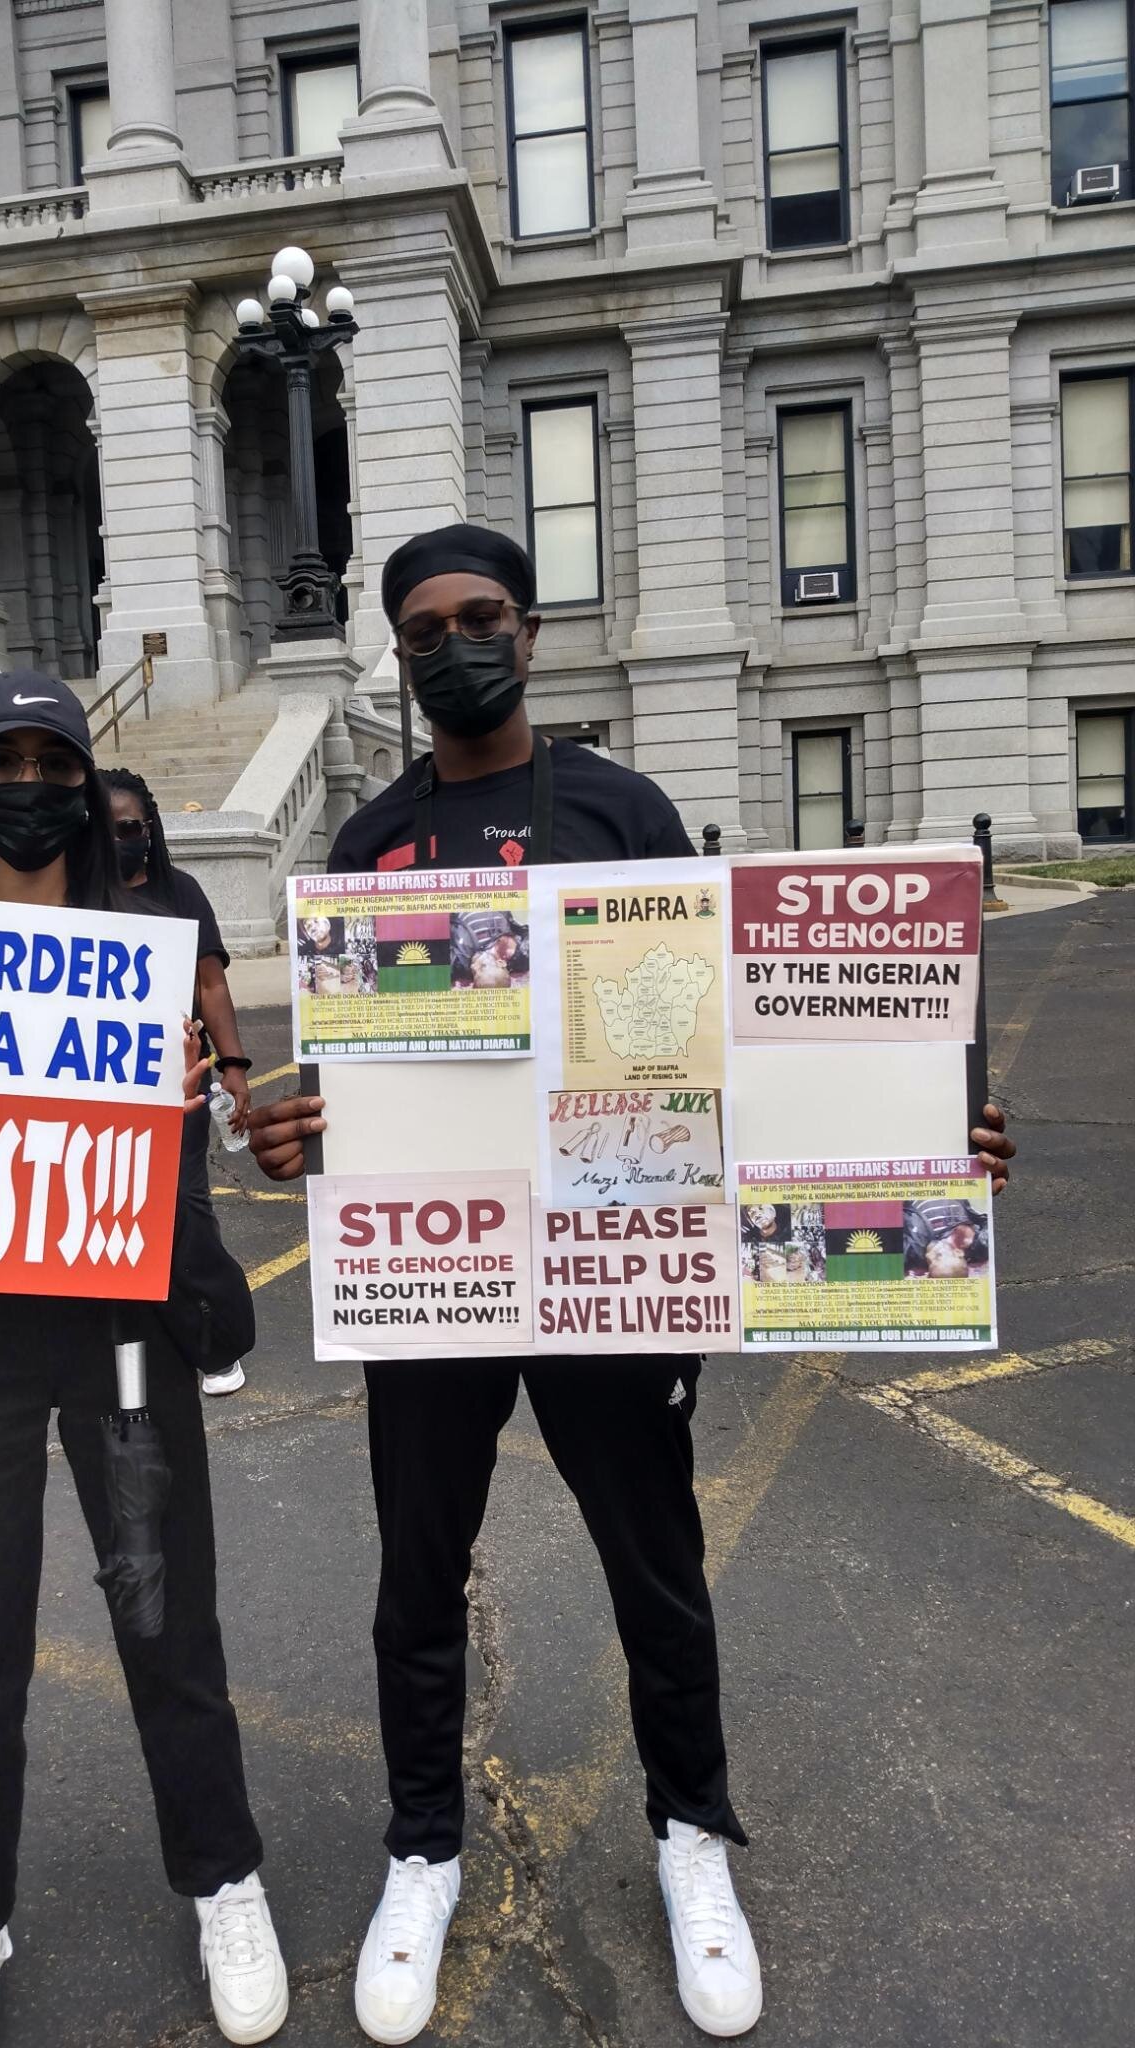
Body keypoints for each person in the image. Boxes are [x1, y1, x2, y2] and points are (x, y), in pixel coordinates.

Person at [246, 525, 1017, 2044]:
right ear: (398, 656)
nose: (455, 645)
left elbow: (750, 1026)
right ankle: (422, 1849)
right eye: (425, 629)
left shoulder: (624, 810)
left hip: (618, 1263)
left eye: (480, 619)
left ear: (529, 637)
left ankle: (689, 1834)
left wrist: (929, 1134)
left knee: (653, 1562)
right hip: (442, 1276)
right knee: (417, 1578)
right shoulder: (365, 848)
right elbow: (343, 1086)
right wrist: (291, 1132)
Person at [0, 673, 286, 2048]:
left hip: (122, 1324)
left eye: (47, 758)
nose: (24, 782)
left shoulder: (148, 934)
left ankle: (223, 1875)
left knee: (166, 1619)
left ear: (81, 777)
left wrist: (190, 1109)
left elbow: (189, 1149)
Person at [100, 765, 255, 1398]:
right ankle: (122, 1336)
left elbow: (212, 984)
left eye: (129, 826)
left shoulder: (181, 891)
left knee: (186, 1210)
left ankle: (212, 1337)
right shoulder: (66, 895)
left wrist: (235, 1065)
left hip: (179, 1082)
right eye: (101, 828)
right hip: (99, 1087)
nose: (118, 839)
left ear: (150, 827)